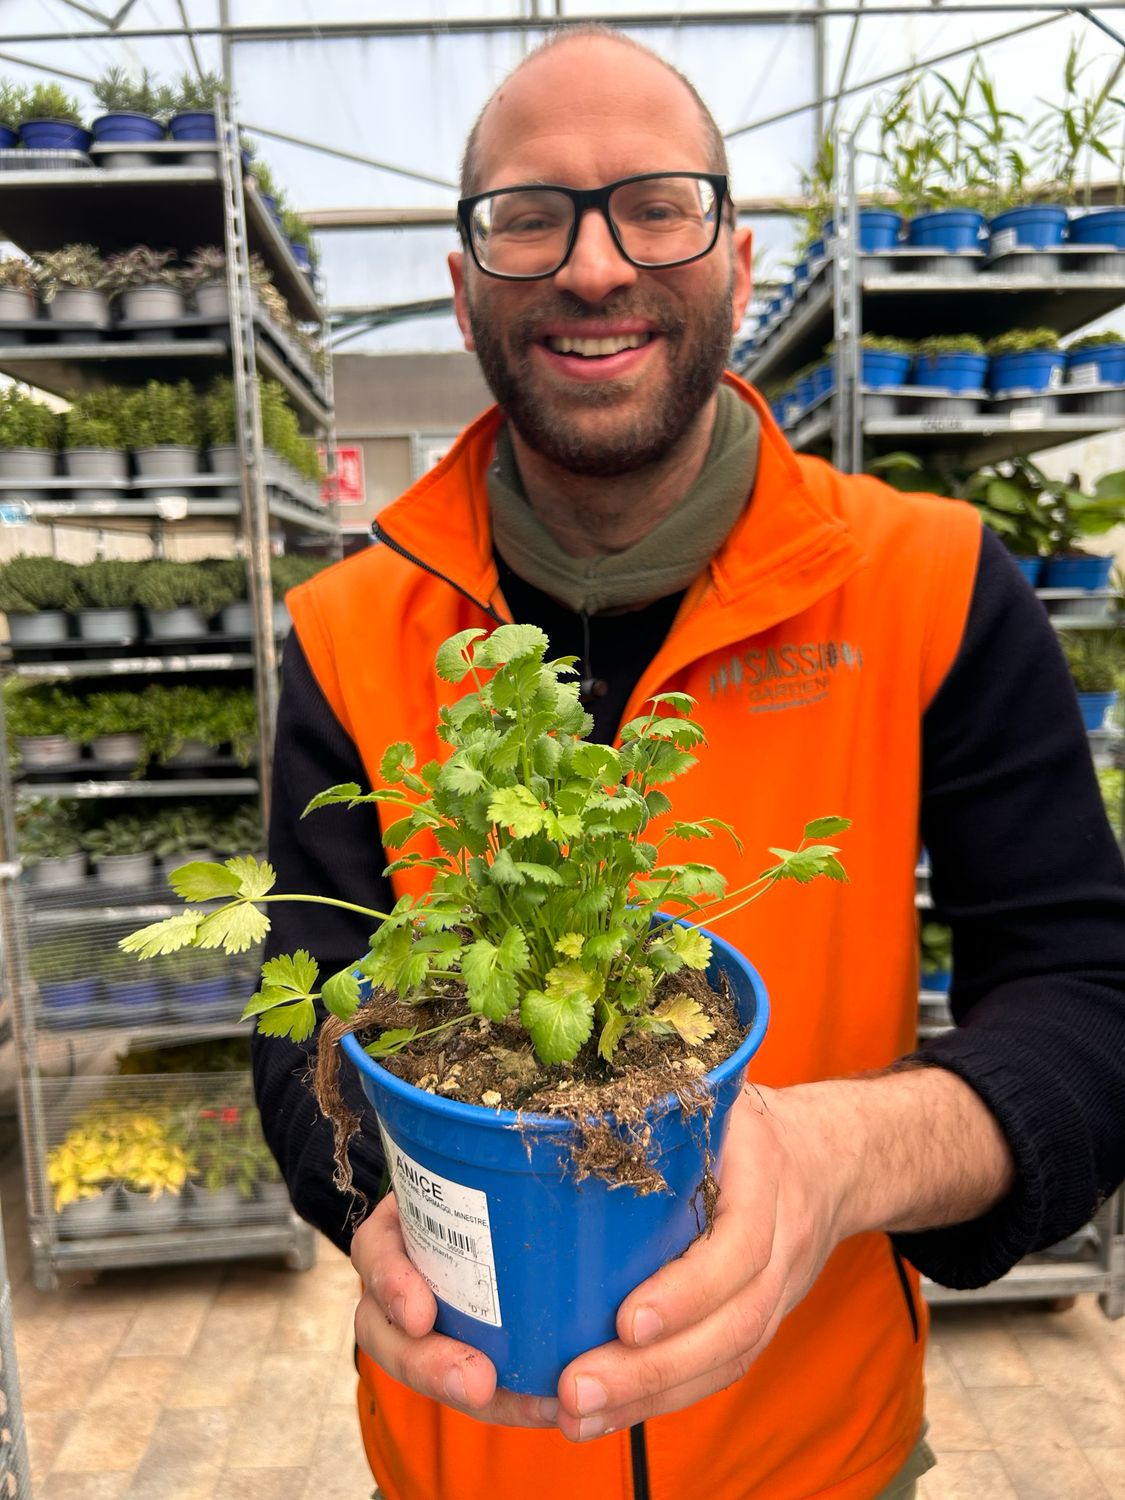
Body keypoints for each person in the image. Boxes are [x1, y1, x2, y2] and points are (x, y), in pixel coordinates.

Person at [253, 23, 1125, 1500]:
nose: (594, 265)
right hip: (468, 1449)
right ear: (465, 289)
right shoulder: (345, 626)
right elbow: (304, 1013)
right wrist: (373, 1214)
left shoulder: (930, 581)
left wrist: (846, 1155)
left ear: (733, 258)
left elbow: (1089, 998)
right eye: (528, 215)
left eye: (657, 204)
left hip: (818, 1449)